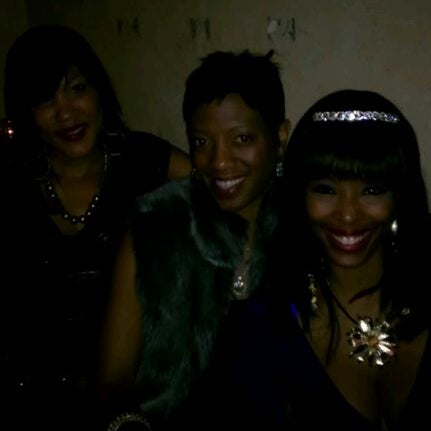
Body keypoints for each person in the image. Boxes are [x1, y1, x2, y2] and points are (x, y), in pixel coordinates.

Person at [1, 24, 190, 430]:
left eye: (77, 89)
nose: (66, 112)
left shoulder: (142, 159)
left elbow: (224, 186)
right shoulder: (12, 183)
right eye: (44, 99)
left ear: (100, 90)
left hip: (133, 404)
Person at [96, 50, 290, 430]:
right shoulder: (155, 230)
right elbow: (112, 383)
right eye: (201, 142)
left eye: (242, 139)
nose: (219, 161)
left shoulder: (309, 228)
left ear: (279, 135)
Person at [271, 89, 431, 430]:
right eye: (325, 189)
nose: (347, 215)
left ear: (400, 196)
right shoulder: (273, 320)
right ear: (299, 196)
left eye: (371, 190)